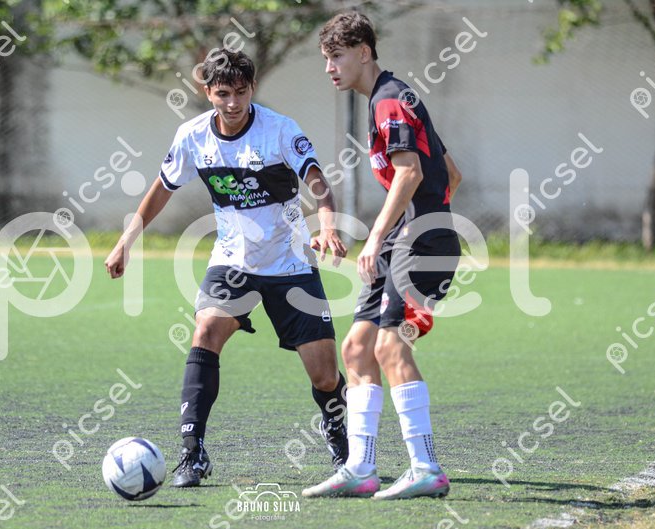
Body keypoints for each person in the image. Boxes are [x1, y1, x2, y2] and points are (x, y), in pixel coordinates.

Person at [105, 49, 350, 488]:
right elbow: (162, 188)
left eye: (240, 92)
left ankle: (337, 433)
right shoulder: (193, 136)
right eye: (223, 94)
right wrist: (126, 241)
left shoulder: (279, 130)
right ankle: (192, 452)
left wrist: (328, 223)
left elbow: (316, 179)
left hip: (291, 264)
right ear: (208, 92)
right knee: (205, 333)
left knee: (325, 375)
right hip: (233, 264)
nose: (233, 103)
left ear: (252, 88)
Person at [303, 12, 463, 500]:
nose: (329, 67)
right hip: (406, 243)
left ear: (364, 52)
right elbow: (451, 172)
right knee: (357, 348)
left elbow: (411, 172)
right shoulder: (389, 98)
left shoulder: (390, 99)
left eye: (336, 56)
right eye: (325, 58)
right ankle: (361, 468)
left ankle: (426, 468)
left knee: (391, 348)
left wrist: (383, 237)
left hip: (420, 246)